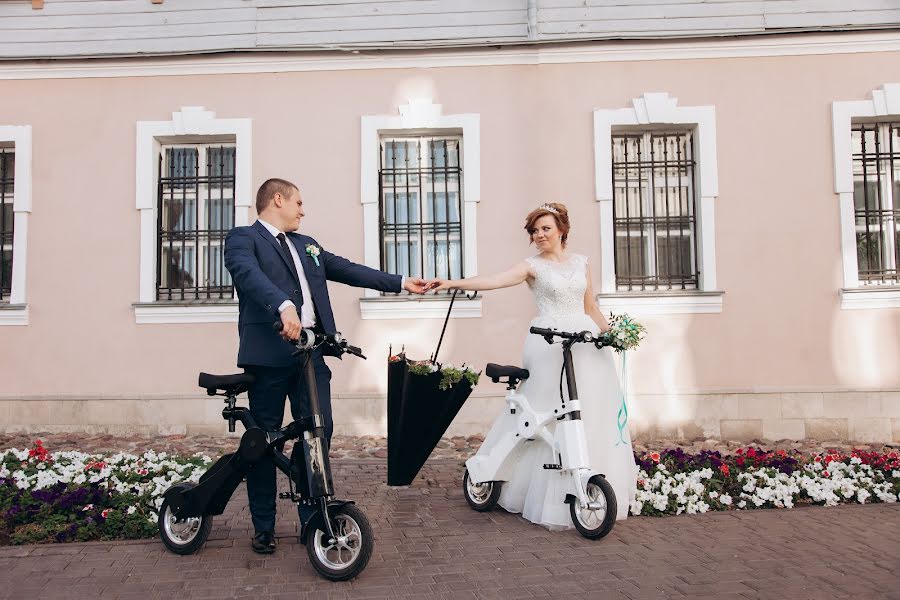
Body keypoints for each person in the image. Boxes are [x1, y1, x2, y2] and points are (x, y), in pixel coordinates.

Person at [224, 178, 428, 554]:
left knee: (318, 434)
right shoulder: (243, 238)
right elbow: (247, 276)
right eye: (298, 202)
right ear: (278, 199)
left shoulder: (307, 245)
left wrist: (399, 282)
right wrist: (283, 306)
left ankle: (312, 519)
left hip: (311, 356)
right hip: (268, 358)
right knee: (264, 443)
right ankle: (264, 527)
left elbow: (348, 269)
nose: (303, 210)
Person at [428, 202, 637, 529]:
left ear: (561, 230)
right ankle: (534, 490)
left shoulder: (582, 263)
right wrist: (453, 283)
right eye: (535, 230)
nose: (539, 235)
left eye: (545, 229)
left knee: (590, 411)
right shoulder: (532, 267)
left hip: (585, 343)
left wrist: (613, 335)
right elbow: (495, 280)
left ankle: (590, 484)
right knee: (544, 417)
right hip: (548, 342)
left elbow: (591, 306)